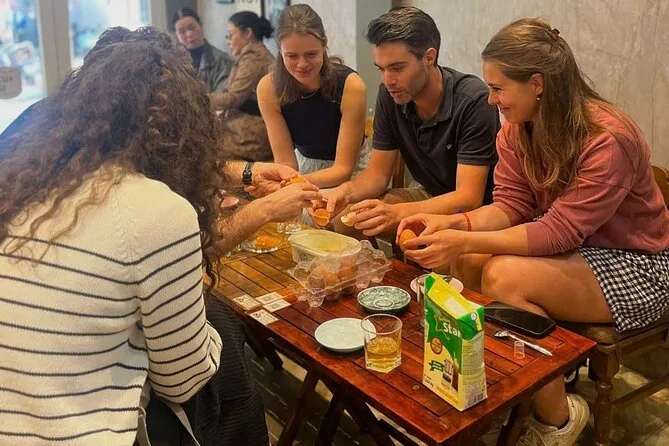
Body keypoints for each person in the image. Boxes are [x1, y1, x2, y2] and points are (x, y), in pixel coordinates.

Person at [0, 26, 319, 446]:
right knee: (223, 336)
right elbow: (184, 382)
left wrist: (246, 173)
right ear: (179, 123)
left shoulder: (36, 165)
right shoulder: (156, 211)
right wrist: (260, 212)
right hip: (78, 429)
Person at [398, 18, 669, 446]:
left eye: (498, 88)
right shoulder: (515, 129)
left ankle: (557, 419)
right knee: (467, 259)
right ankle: (503, 393)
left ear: (537, 84)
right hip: (578, 250)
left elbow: (557, 233)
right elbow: (511, 206)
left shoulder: (607, 138)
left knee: (503, 276)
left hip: (636, 264)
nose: (491, 99)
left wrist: (462, 237)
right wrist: (451, 225)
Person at [319, 6, 499, 239]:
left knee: (412, 232)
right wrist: (344, 191)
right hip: (429, 194)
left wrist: (398, 212)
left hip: (475, 211)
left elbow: (468, 198)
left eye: (397, 68)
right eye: (381, 69)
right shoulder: (390, 95)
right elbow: (377, 176)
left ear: (429, 57)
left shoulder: (473, 100)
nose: (388, 80)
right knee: (348, 219)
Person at [257, 3, 367, 188]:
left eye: (311, 54)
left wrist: (290, 184)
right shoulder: (268, 88)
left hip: (352, 170)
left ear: (324, 46)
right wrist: (287, 183)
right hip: (303, 167)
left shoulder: (351, 86)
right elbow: (285, 162)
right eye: (292, 56)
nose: (302, 64)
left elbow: (343, 170)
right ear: (280, 51)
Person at [210, 11, 275, 162]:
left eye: (230, 35)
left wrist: (200, 98)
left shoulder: (253, 58)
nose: (228, 41)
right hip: (247, 126)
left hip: (251, 132)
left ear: (247, 33)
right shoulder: (254, 55)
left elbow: (233, 98)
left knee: (203, 150)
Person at [173, 7, 233, 93]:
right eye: (182, 32)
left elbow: (223, 96)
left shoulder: (222, 60)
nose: (189, 34)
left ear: (201, 25)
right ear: (176, 35)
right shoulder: (173, 64)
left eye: (192, 28)